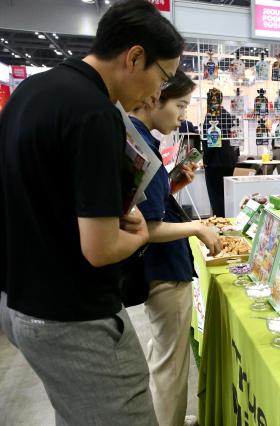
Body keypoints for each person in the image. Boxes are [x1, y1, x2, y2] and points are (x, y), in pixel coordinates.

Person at [0, 1, 183, 425]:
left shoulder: (33, 92)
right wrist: (137, 235)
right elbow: (100, 249)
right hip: (73, 316)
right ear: (135, 56)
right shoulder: (96, 114)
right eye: (163, 76)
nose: (158, 92)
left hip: (19, 300)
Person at [129, 69, 221, 426]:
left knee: (163, 353)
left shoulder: (138, 137)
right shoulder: (141, 142)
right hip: (164, 270)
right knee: (171, 362)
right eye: (180, 105)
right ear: (156, 98)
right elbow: (148, 227)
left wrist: (173, 182)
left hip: (158, 268)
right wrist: (197, 226)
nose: (182, 115)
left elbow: (148, 204)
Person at [202, 89, 239, 216]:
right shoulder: (228, 115)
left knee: (216, 196)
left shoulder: (211, 116)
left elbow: (212, 142)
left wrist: (205, 160)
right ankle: (227, 221)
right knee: (227, 194)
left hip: (214, 162)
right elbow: (235, 137)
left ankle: (220, 223)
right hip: (229, 161)